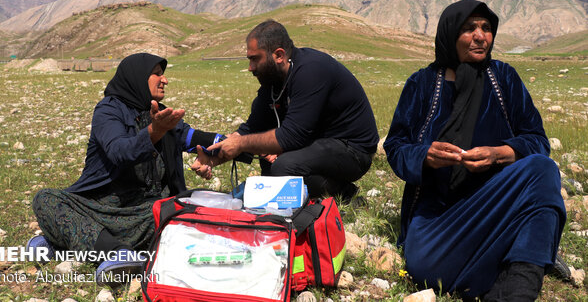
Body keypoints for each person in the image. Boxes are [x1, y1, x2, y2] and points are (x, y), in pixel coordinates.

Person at [383, 0, 566, 300]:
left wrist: (499, 154)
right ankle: (520, 253)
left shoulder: (504, 78)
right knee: (423, 266)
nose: (480, 36)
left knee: (542, 170)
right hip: (437, 217)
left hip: (497, 203)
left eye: (486, 28)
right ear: (450, 34)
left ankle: (518, 287)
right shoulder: (423, 83)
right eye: (469, 28)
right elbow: (396, 147)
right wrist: (425, 156)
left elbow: (537, 139)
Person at [28, 53, 223, 286]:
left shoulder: (161, 114)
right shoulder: (108, 111)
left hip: (149, 214)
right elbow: (120, 151)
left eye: (164, 74)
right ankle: (118, 254)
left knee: (201, 200)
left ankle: (62, 242)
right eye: (157, 74)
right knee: (46, 199)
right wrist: (154, 132)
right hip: (104, 209)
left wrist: (245, 144)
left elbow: (196, 138)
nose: (165, 80)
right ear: (137, 77)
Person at [206, 20, 379, 201]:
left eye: (255, 59)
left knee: (284, 166)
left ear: (279, 55)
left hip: (353, 150)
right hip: (318, 142)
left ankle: (345, 194)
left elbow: (292, 136)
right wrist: (213, 158)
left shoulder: (311, 70)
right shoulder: (273, 78)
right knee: (268, 152)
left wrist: (242, 144)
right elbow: (251, 128)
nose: (250, 67)